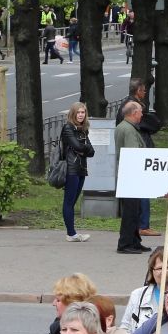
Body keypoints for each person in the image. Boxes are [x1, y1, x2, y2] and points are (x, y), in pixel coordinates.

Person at [114, 101, 149, 254]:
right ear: (134, 113)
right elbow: (133, 154)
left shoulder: (125, 127)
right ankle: (125, 243)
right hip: (130, 176)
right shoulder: (128, 130)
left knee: (135, 210)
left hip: (129, 176)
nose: (142, 114)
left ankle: (134, 241)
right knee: (130, 212)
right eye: (140, 112)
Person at [60, 102, 96, 243]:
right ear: (73, 113)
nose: (81, 115)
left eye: (83, 112)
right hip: (71, 168)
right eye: (78, 112)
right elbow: (76, 145)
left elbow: (92, 151)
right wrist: (83, 148)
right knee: (69, 201)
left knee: (73, 201)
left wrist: (83, 148)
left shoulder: (83, 129)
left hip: (81, 168)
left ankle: (72, 232)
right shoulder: (68, 128)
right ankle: (71, 234)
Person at [119, 249, 168, 333]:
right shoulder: (138, 295)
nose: (163, 272)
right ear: (152, 272)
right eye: (159, 268)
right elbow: (125, 328)